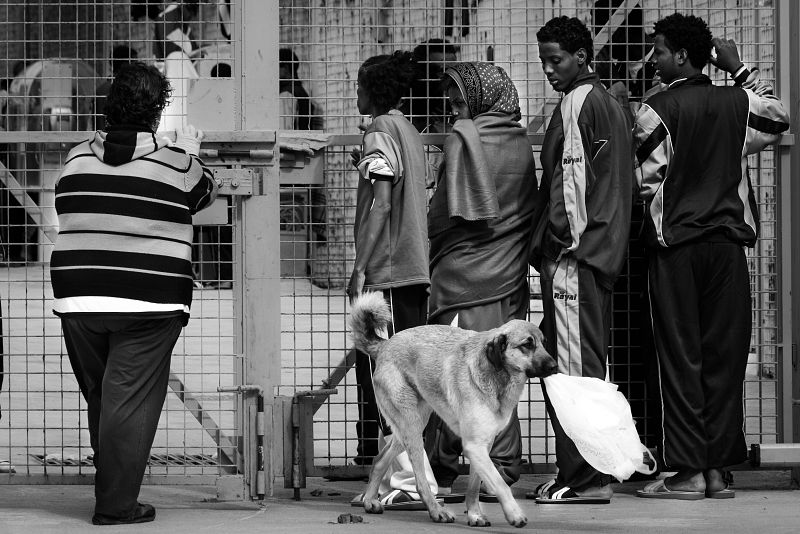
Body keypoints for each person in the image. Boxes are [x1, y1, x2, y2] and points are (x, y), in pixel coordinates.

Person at [49, 61, 217, 525]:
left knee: (103, 397)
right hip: (149, 300)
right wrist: (191, 150)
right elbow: (204, 194)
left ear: (107, 108)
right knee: (129, 400)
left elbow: (65, 199)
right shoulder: (177, 162)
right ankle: (116, 505)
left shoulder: (76, 157)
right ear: (158, 112)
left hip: (79, 297)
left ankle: (112, 487)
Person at [632, 13, 789, 500]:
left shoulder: (655, 109)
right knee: (725, 359)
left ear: (681, 55)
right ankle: (718, 471)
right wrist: (739, 70)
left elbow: (646, 182)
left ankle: (687, 473)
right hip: (727, 250)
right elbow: (778, 118)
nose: (653, 59)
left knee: (680, 360)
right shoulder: (738, 102)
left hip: (676, 250)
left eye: (659, 50)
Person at [527, 16, 633, 504]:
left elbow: (571, 188)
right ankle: (589, 471)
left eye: (556, 60)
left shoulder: (577, 102)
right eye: (544, 61)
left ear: (582, 57)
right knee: (585, 364)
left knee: (572, 373)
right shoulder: (608, 103)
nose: (549, 69)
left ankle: (585, 477)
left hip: (575, 258)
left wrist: (560, 248)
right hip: (599, 254)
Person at [424, 61, 538, 501]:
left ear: (480, 98)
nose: (455, 110)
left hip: (464, 276)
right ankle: (499, 467)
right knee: (502, 375)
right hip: (509, 273)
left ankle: (448, 469)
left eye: (459, 101)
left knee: (460, 376)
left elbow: (444, 213)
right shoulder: (519, 141)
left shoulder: (464, 137)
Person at [347, 51, 440, 510]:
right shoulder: (407, 130)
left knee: (388, 383)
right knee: (405, 381)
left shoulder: (379, 130)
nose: (356, 93)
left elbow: (382, 204)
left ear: (372, 90)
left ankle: (409, 481)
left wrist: (360, 266)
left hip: (387, 269)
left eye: (359, 85)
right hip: (412, 268)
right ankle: (397, 481)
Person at [401, 38, 459, 134]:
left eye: (452, 70)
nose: (449, 77)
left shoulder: (459, 102)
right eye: (441, 70)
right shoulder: (405, 105)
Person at [93, 45, 138, 129]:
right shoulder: (129, 89)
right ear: (124, 64)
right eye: (134, 63)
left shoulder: (101, 89)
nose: (137, 67)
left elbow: (98, 123)